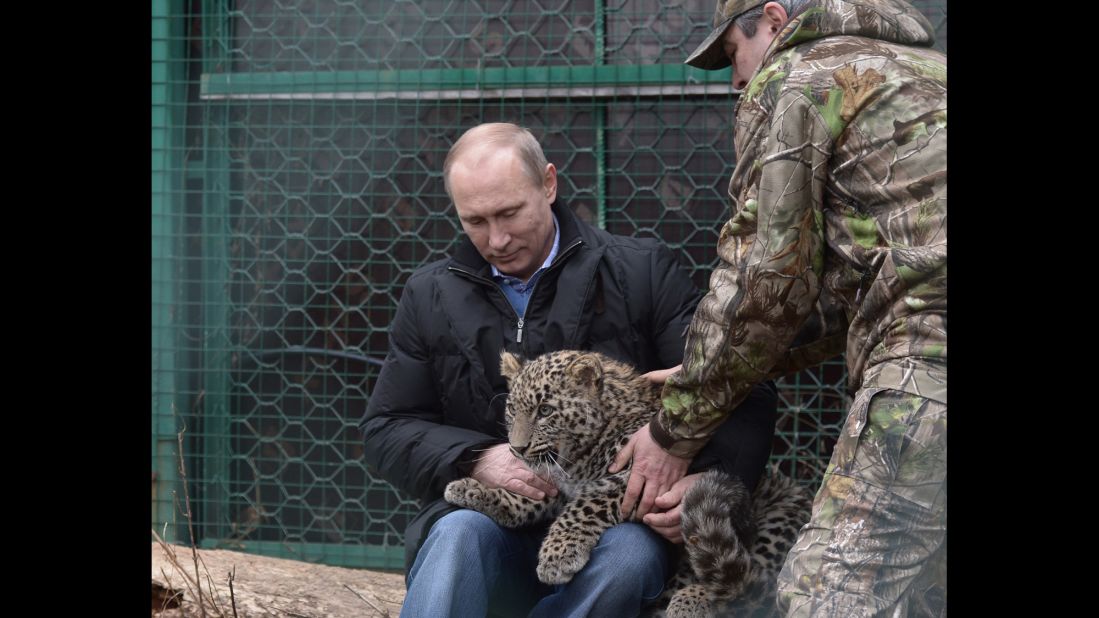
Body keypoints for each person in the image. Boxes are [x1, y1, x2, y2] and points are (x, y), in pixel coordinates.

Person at [359, 122, 780, 617]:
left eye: (509, 213)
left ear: (549, 184)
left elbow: (740, 385)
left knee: (627, 558)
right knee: (455, 536)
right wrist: (477, 458)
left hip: (615, 523)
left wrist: (703, 477)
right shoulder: (429, 294)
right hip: (498, 516)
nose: (495, 238)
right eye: (474, 221)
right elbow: (386, 427)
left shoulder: (639, 271)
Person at [610, 1, 947, 615]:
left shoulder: (797, 77)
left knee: (825, 595)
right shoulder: (927, 70)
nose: (736, 81)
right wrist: (708, 376)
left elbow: (766, 280)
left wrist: (676, 425)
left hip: (929, 362)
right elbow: (862, 281)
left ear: (772, 18)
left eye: (734, 57)